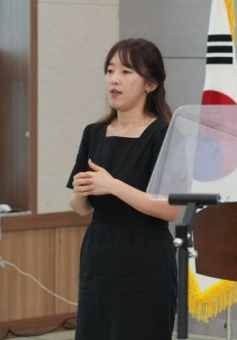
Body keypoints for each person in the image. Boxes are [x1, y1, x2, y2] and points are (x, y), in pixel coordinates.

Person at [67, 38, 180, 340]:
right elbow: (80, 208)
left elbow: (170, 209)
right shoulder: (94, 133)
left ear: (150, 83)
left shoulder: (165, 134)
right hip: (99, 255)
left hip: (146, 258)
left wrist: (114, 185)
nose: (114, 79)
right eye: (110, 70)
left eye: (127, 72)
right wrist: (81, 190)